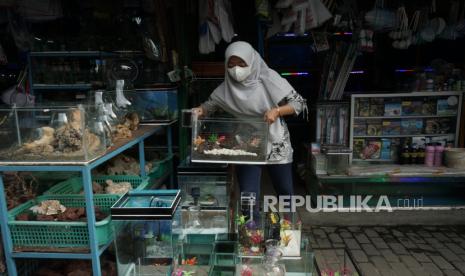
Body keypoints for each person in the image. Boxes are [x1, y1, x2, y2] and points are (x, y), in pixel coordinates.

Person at [193, 41, 307, 206]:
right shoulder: (227, 88)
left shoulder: (269, 78)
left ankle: (289, 228)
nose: (236, 69)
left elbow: (299, 104)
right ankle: (251, 229)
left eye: (241, 63)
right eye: (231, 64)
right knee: (248, 195)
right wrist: (199, 111)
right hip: (245, 144)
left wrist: (277, 111)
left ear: (252, 62)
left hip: (275, 142)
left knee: (284, 192)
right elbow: (208, 106)